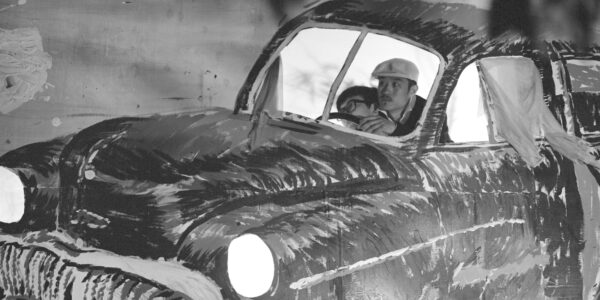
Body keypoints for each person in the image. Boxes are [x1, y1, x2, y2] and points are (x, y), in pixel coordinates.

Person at [358, 58, 426, 137]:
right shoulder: (369, 103)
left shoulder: (431, 111)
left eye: (395, 84)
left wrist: (394, 129)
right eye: (382, 83)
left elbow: (430, 146)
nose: (385, 91)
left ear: (412, 90)